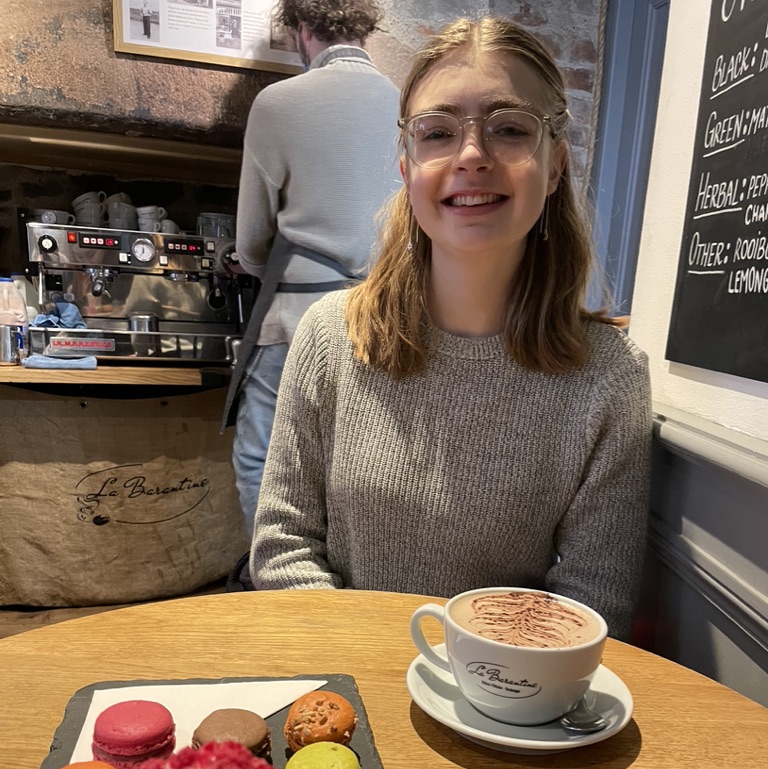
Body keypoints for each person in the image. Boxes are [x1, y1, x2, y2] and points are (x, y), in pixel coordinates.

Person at [249, 15, 652, 640]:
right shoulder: (329, 336)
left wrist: (470, 689)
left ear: (554, 167)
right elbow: (282, 549)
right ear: (407, 166)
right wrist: (374, 674)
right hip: (349, 687)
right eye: (437, 133)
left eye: (510, 129)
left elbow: (593, 602)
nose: (471, 155)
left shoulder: (611, 377)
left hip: (508, 710)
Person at [224, 0, 401, 532]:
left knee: (262, 459)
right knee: (360, 471)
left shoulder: (277, 102)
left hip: (297, 320)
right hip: (387, 320)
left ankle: (283, 595)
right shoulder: (408, 105)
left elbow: (252, 238)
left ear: (301, 28)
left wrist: (252, 261)